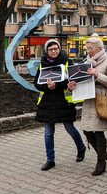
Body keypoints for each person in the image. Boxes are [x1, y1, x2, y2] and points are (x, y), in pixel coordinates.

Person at [34, 39, 86, 171]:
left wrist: (57, 85)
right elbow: (37, 83)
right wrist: (47, 86)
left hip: (64, 102)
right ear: (47, 51)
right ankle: (50, 160)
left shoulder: (68, 62)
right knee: (48, 133)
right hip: (47, 103)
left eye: (55, 49)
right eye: (50, 49)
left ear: (59, 49)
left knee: (70, 128)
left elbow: (72, 80)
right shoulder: (42, 64)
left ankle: (81, 147)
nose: (53, 51)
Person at [71, 36, 107, 176]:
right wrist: (72, 85)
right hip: (88, 100)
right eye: (87, 48)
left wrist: (97, 74)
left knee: (98, 132)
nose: (89, 51)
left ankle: (101, 162)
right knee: (87, 130)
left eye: (91, 48)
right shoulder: (86, 62)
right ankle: (102, 154)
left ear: (99, 48)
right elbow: (79, 80)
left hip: (101, 100)